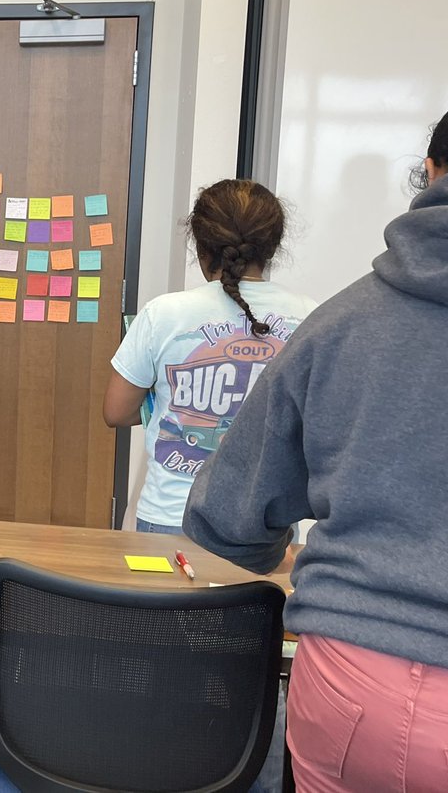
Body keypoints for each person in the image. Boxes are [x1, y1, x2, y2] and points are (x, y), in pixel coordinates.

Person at [184, 114, 448, 793]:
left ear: (429, 172)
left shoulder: (345, 322)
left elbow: (229, 515)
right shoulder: (309, 313)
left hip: (354, 675)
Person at [103, 178, 318, 533]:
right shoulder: (310, 315)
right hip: (267, 529)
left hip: (172, 518)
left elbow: (116, 411)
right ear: (272, 249)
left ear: (202, 249)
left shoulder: (163, 314)